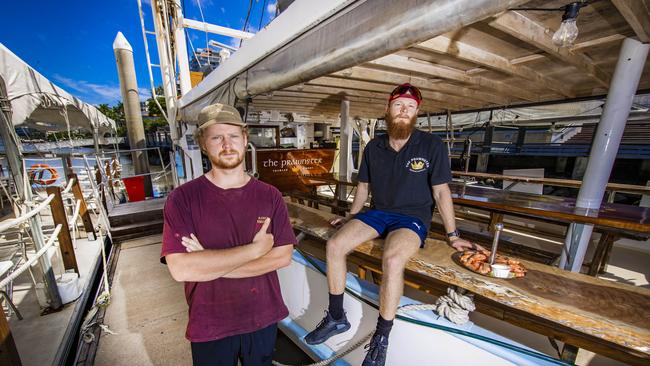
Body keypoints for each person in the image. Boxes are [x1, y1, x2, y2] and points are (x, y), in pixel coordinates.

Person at [304, 83, 475, 366]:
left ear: (416, 112)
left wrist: (453, 235)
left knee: (393, 259)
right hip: (378, 212)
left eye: (410, 107)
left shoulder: (431, 145)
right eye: (399, 105)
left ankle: (381, 338)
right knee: (335, 244)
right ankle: (336, 317)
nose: (404, 111)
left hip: (412, 218)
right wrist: (351, 216)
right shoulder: (374, 146)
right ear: (388, 109)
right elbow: (362, 188)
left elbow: (442, 192)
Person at [160, 103, 296, 366]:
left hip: (263, 317)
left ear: (245, 140)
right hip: (210, 323)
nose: (226, 144)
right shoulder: (182, 199)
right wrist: (254, 251)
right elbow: (182, 269)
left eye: (233, 136)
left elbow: (282, 257)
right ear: (203, 144)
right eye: (216, 137)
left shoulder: (270, 195)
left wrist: (208, 262)